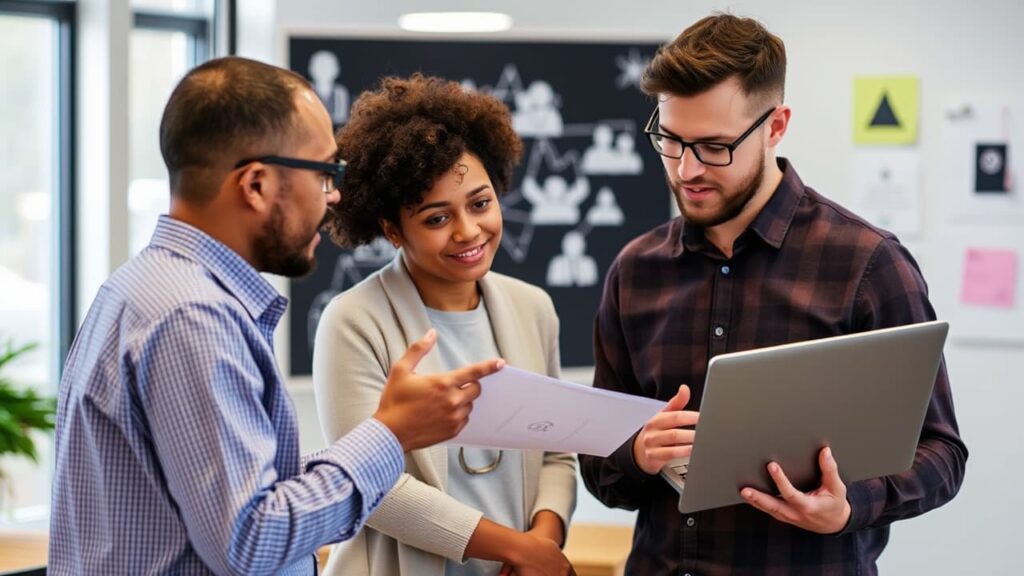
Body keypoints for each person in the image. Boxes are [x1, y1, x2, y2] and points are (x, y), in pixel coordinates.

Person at [48, 56, 503, 576]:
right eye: (326, 173)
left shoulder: (148, 289)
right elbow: (250, 541)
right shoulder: (192, 316)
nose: (333, 197)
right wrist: (390, 433)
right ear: (257, 185)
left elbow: (223, 496)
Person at [579, 14, 967, 576]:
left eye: (714, 147)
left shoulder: (868, 264)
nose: (686, 170)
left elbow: (942, 454)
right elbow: (600, 469)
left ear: (776, 126)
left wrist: (850, 506)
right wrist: (635, 455)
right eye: (669, 140)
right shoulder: (635, 270)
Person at [313, 74, 577, 576]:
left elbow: (557, 455)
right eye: (436, 219)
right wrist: (513, 548)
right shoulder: (352, 321)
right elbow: (374, 486)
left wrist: (542, 541)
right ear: (392, 229)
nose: (468, 231)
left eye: (480, 204)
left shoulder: (533, 307)